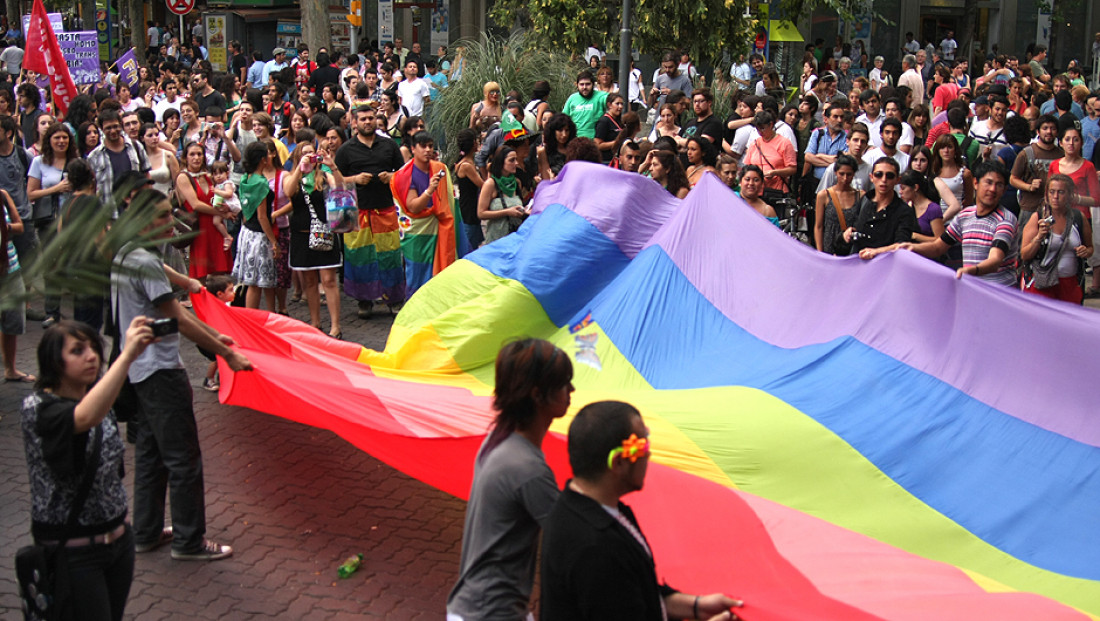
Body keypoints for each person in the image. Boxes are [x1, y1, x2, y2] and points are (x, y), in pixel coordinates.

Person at [111, 188, 252, 561]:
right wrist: (224, 351)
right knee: (183, 458)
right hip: (158, 371)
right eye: (159, 217)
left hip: (139, 370)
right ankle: (189, 541)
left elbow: (169, 298)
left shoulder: (129, 254)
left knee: (151, 454)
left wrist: (210, 329)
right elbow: (175, 315)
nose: (168, 223)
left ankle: (147, 530)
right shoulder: (142, 260)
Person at [539, 400, 743, 621]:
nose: (648, 455)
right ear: (618, 462)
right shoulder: (595, 548)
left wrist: (697, 606)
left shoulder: (586, 507)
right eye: (643, 447)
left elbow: (635, 596)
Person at [20, 318, 154, 620]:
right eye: (77, 351)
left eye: (93, 347)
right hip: (74, 551)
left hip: (118, 541)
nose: (91, 355)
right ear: (54, 361)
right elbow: (83, 417)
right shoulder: (38, 407)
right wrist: (128, 354)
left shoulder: (96, 398)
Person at [447, 339, 574, 621]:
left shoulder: (499, 438)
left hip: (477, 606)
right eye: (565, 383)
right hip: (490, 613)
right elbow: (572, 537)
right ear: (539, 394)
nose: (572, 390)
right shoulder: (527, 468)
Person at [335, 106, 405, 318]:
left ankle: (394, 299)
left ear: (376, 120)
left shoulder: (389, 145)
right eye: (363, 119)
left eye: (371, 118)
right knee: (359, 256)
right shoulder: (346, 150)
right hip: (357, 213)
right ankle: (364, 301)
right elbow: (334, 181)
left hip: (385, 209)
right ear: (355, 122)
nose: (367, 122)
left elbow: (402, 174)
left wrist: (391, 176)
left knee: (390, 254)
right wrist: (354, 180)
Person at [902, 161, 1018, 284]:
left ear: (1004, 190)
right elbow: (938, 247)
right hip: (972, 289)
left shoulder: (1005, 220)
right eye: (988, 182)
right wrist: (909, 248)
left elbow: (995, 260)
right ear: (976, 183)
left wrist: (971, 271)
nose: (992, 189)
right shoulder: (965, 215)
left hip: (999, 293)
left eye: (999, 185)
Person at [281, 140, 344, 337]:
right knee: (309, 280)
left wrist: (331, 165)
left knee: (328, 280)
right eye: (304, 153)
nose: (309, 156)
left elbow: (340, 187)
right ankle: (315, 323)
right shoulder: (292, 177)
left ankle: (335, 326)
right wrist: (300, 169)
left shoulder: (324, 174)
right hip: (301, 234)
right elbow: (288, 192)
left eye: (312, 153)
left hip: (325, 233)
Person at [390, 131, 463, 296]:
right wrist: (430, 190)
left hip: (439, 231)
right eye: (423, 146)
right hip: (417, 234)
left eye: (430, 146)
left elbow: (449, 203)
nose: (428, 150)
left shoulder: (439, 169)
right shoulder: (405, 176)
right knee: (417, 276)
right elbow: (413, 207)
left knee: (438, 279)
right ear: (413, 149)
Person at [1019, 174, 1093, 303]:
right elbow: (1024, 255)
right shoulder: (1038, 217)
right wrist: (1039, 237)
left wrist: (1085, 251)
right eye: (1052, 192)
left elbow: (1090, 248)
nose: (1055, 197)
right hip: (1042, 284)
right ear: (1046, 194)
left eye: (1061, 192)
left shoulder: (1078, 218)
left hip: (1070, 285)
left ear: (1070, 195)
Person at [232, 142, 280, 310]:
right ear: (263, 159)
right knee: (256, 283)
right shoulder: (261, 183)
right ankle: (255, 319)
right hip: (259, 235)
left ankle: (267, 314)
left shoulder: (246, 178)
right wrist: (273, 241)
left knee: (254, 278)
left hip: (246, 232)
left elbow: (246, 210)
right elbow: (262, 216)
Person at [844, 157, 917, 258]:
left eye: (890, 176)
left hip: (885, 267)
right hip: (857, 264)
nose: (884, 180)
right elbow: (852, 227)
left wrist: (877, 251)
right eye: (879, 174)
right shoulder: (864, 201)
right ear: (871, 177)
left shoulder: (904, 211)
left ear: (897, 180)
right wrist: (846, 234)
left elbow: (902, 246)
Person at [1010, 114, 1063, 235]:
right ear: (1038, 131)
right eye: (1045, 128)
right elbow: (1013, 179)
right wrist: (1028, 187)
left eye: (1052, 128)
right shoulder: (1026, 153)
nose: (1049, 132)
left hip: (1055, 209)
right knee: (1025, 244)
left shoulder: (1062, 155)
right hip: (1030, 207)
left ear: (1057, 132)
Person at [87, 110, 152, 207]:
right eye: (108, 128)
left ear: (121, 125)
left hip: (136, 210)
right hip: (109, 213)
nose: (113, 131)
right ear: (101, 129)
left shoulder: (136, 147)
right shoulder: (94, 156)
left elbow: (146, 175)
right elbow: (91, 188)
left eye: (115, 126)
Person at [1048, 120, 1100, 221]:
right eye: (1067, 139)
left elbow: (1097, 199)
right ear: (1061, 143)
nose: (1071, 143)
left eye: (1075, 140)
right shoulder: (1054, 165)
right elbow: (1047, 193)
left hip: (1080, 217)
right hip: (1058, 217)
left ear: (1081, 143)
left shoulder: (1088, 166)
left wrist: (1077, 199)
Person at [478, 146, 527, 244]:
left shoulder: (516, 183)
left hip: (515, 239)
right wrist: (507, 212)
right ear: (501, 162)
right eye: (512, 160)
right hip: (496, 240)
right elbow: (481, 213)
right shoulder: (490, 184)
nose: (516, 163)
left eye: (516, 159)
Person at [815, 153, 861, 253]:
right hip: (830, 247)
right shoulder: (824, 195)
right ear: (836, 173)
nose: (845, 178)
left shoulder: (860, 196)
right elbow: (818, 226)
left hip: (850, 248)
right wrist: (820, 251)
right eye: (841, 174)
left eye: (849, 174)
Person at [742, 110, 796, 194]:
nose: (760, 132)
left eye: (763, 128)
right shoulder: (755, 143)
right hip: (756, 191)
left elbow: (792, 169)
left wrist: (775, 172)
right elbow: (747, 166)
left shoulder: (784, 143)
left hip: (776, 190)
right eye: (758, 129)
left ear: (771, 125)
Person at [454, 129, 484, 250]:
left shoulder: (468, 162)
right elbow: (482, 184)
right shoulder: (466, 166)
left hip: (472, 205)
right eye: (476, 141)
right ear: (472, 144)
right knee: (470, 245)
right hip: (469, 207)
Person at [899, 170, 944, 244]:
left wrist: (917, 236)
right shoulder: (908, 207)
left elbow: (941, 240)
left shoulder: (933, 209)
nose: (900, 192)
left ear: (915, 187)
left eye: (903, 188)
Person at [563, 70, 609, 140]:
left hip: (595, 141)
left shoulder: (601, 96)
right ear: (577, 85)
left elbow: (614, 101)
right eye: (581, 84)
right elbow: (563, 118)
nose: (584, 87)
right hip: (575, 140)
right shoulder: (572, 98)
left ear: (593, 84)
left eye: (588, 84)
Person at [593, 93, 625, 164]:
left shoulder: (620, 121)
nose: (620, 107)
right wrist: (617, 143)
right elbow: (598, 145)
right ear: (609, 105)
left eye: (622, 104)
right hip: (606, 161)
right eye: (617, 104)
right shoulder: (604, 121)